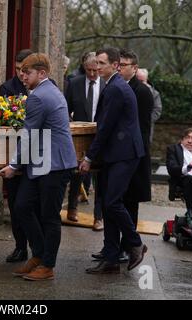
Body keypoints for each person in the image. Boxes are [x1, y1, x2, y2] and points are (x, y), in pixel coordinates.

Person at [0, 53, 77, 281]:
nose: (23, 76)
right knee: (22, 206)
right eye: (22, 72)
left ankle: (48, 265)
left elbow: (29, 134)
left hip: (54, 165)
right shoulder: (48, 91)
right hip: (42, 163)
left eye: (28, 72)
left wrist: (13, 165)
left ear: (42, 73)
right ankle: (39, 254)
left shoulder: (40, 96)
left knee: (49, 217)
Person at [79, 47, 147, 274]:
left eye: (101, 63)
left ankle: (135, 243)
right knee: (108, 205)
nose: (97, 67)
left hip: (124, 154)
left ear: (115, 65)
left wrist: (88, 157)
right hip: (115, 154)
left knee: (112, 202)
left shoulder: (116, 88)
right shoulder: (113, 85)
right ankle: (110, 258)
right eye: (96, 63)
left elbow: (105, 128)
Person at [117, 49, 154, 261]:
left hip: (134, 155)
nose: (120, 67)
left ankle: (129, 246)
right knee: (120, 200)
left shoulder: (141, 92)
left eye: (124, 64)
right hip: (123, 154)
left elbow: (140, 128)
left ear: (134, 68)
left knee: (130, 202)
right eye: (119, 64)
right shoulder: (119, 87)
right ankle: (122, 246)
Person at [0, 49, 33, 263]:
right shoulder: (7, 87)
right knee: (14, 203)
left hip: (36, 153)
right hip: (13, 151)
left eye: (25, 70)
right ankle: (20, 246)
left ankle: (36, 247)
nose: (21, 74)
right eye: (18, 69)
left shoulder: (44, 86)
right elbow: (2, 120)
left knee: (31, 204)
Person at [65, 51, 105, 230]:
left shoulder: (106, 84)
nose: (91, 74)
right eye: (88, 70)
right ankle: (72, 208)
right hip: (80, 134)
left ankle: (98, 217)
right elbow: (66, 108)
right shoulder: (75, 83)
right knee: (77, 172)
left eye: (95, 70)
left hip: (100, 134)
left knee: (100, 177)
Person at [137, 68, 162, 143]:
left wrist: (146, 120)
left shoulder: (154, 94)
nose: (140, 83)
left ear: (146, 79)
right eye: (138, 80)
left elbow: (157, 110)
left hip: (146, 129)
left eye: (142, 81)